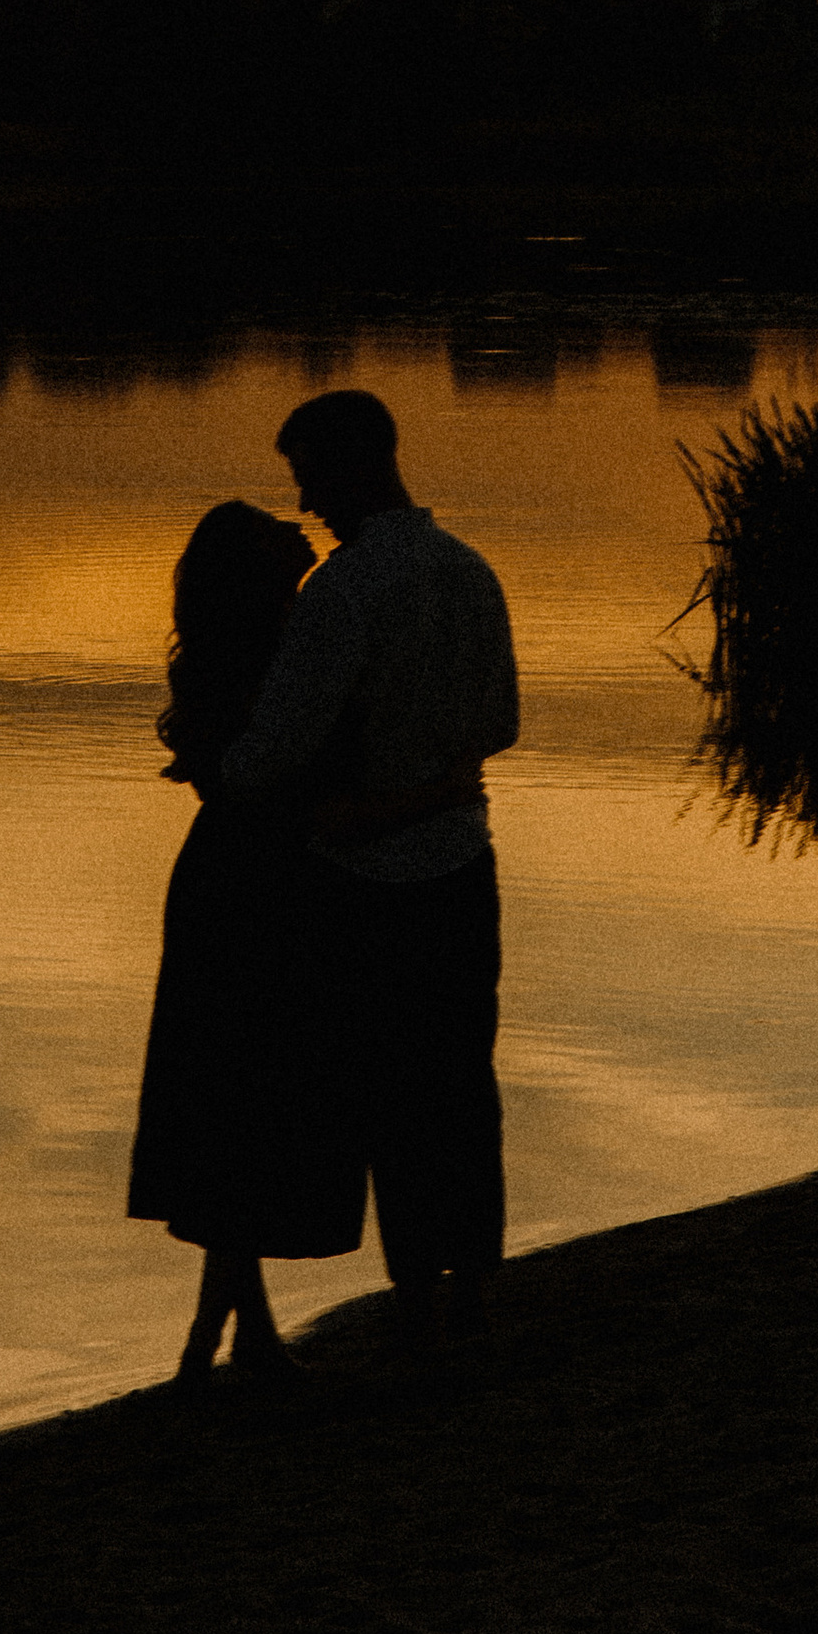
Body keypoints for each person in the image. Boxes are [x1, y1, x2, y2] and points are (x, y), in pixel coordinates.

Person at [220, 387, 520, 1343]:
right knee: (462, 1086)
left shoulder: (342, 593)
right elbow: (502, 725)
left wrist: (218, 758)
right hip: (465, 868)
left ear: (351, 467)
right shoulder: (470, 571)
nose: (305, 502)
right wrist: (438, 783)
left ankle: (419, 1303)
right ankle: (470, 1287)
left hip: (365, 881)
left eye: (308, 477)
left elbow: (271, 753)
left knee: (390, 1097)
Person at [125, 500, 364, 1384]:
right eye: (275, 530)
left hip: (231, 879)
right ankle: (205, 1347)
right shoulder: (276, 656)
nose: (299, 524)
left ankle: (242, 1337)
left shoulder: (257, 648)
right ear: (255, 571)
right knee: (247, 1105)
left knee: (237, 1106)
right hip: (267, 886)